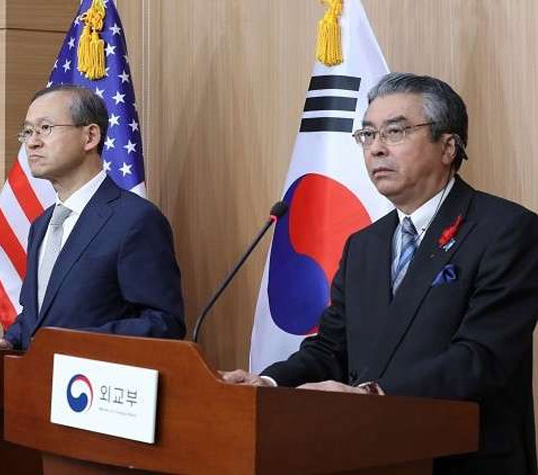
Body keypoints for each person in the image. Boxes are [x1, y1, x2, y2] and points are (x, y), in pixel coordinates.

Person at [223, 73, 538, 473]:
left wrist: (373, 395)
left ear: (448, 146)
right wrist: (267, 384)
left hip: (462, 459)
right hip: (369, 456)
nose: (376, 148)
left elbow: (481, 357)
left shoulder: (505, 230)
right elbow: (331, 349)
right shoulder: (364, 245)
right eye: (368, 134)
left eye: (395, 131)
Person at [0, 85, 185, 350]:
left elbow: (164, 324)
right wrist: (9, 341)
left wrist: (75, 344)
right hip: (38, 374)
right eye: (27, 131)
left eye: (45, 128)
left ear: (90, 136)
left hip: (94, 374)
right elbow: (37, 319)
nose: (32, 142)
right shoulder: (42, 225)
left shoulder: (136, 220)